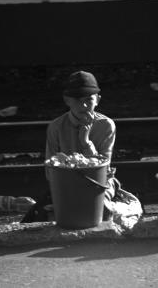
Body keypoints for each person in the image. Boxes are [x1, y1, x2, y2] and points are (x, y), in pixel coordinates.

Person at [21, 70, 118, 222]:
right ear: (67, 100)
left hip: (98, 184)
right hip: (65, 183)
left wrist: (86, 142)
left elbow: (103, 169)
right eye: (78, 100)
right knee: (41, 215)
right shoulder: (56, 127)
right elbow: (50, 171)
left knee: (102, 212)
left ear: (98, 99)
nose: (84, 105)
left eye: (89, 99)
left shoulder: (105, 125)